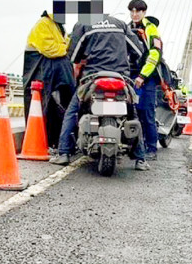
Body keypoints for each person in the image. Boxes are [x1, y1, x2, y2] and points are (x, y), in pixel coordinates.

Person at [49, 13, 147, 169]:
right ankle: (140, 159)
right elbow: (139, 51)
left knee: (72, 112)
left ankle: (64, 153)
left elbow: (73, 55)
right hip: (120, 77)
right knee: (132, 114)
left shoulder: (83, 24)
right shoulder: (121, 24)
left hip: (93, 78)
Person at [22, 11, 77, 150]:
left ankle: (56, 140)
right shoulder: (43, 24)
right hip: (42, 69)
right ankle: (43, 140)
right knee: (44, 103)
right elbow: (51, 50)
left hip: (52, 69)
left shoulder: (57, 26)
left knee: (60, 103)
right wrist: (68, 48)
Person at [128, 0, 164, 161]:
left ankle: (151, 148)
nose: (135, 14)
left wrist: (143, 76)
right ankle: (135, 146)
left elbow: (155, 54)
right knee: (132, 112)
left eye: (138, 11)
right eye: (132, 11)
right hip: (130, 75)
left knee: (147, 113)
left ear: (144, 12)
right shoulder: (127, 28)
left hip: (147, 78)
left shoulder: (150, 29)